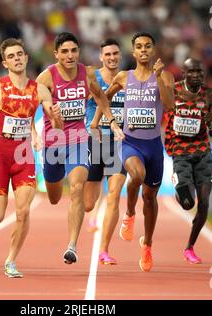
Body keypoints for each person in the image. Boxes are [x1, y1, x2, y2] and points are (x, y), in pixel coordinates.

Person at [0, 38, 62, 278]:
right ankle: (6, 241)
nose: (17, 58)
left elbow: (56, 125)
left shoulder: (39, 90)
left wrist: (56, 118)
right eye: (12, 56)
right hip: (0, 157)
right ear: (4, 62)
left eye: (20, 54)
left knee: (22, 212)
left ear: (27, 57)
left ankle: (11, 260)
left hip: (25, 157)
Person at [36, 32, 124, 264]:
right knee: (54, 197)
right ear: (56, 54)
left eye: (73, 50)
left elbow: (101, 97)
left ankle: (72, 246)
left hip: (79, 139)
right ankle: (53, 183)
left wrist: (111, 120)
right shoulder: (46, 77)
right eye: (64, 51)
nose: (70, 55)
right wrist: (49, 112)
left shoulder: (87, 74)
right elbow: (41, 99)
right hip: (54, 143)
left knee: (76, 189)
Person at [105, 32, 174, 272]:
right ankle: (129, 213)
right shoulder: (124, 77)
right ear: (133, 53)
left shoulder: (165, 76)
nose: (143, 50)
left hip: (154, 144)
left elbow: (169, 105)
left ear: (153, 50)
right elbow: (104, 100)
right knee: (136, 175)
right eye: (138, 47)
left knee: (151, 198)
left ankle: (147, 244)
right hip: (130, 142)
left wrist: (158, 78)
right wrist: (110, 122)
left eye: (147, 46)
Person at [164, 58, 212, 264]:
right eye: (191, 71)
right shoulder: (174, 91)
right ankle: (179, 184)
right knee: (187, 204)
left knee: (204, 203)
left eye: (199, 71)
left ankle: (190, 247)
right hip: (180, 152)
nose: (196, 75)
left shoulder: (210, 95)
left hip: (203, 152)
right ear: (183, 73)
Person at [84, 38, 126, 265]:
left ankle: (104, 250)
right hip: (94, 140)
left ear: (119, 56)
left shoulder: (127, 79)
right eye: (107, 54)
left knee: (114, 195)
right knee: (88, 203)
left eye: (115, 53)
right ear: (101, 57)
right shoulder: (92, 78)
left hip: (119, 144)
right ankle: (90, 214)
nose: (112, 57)